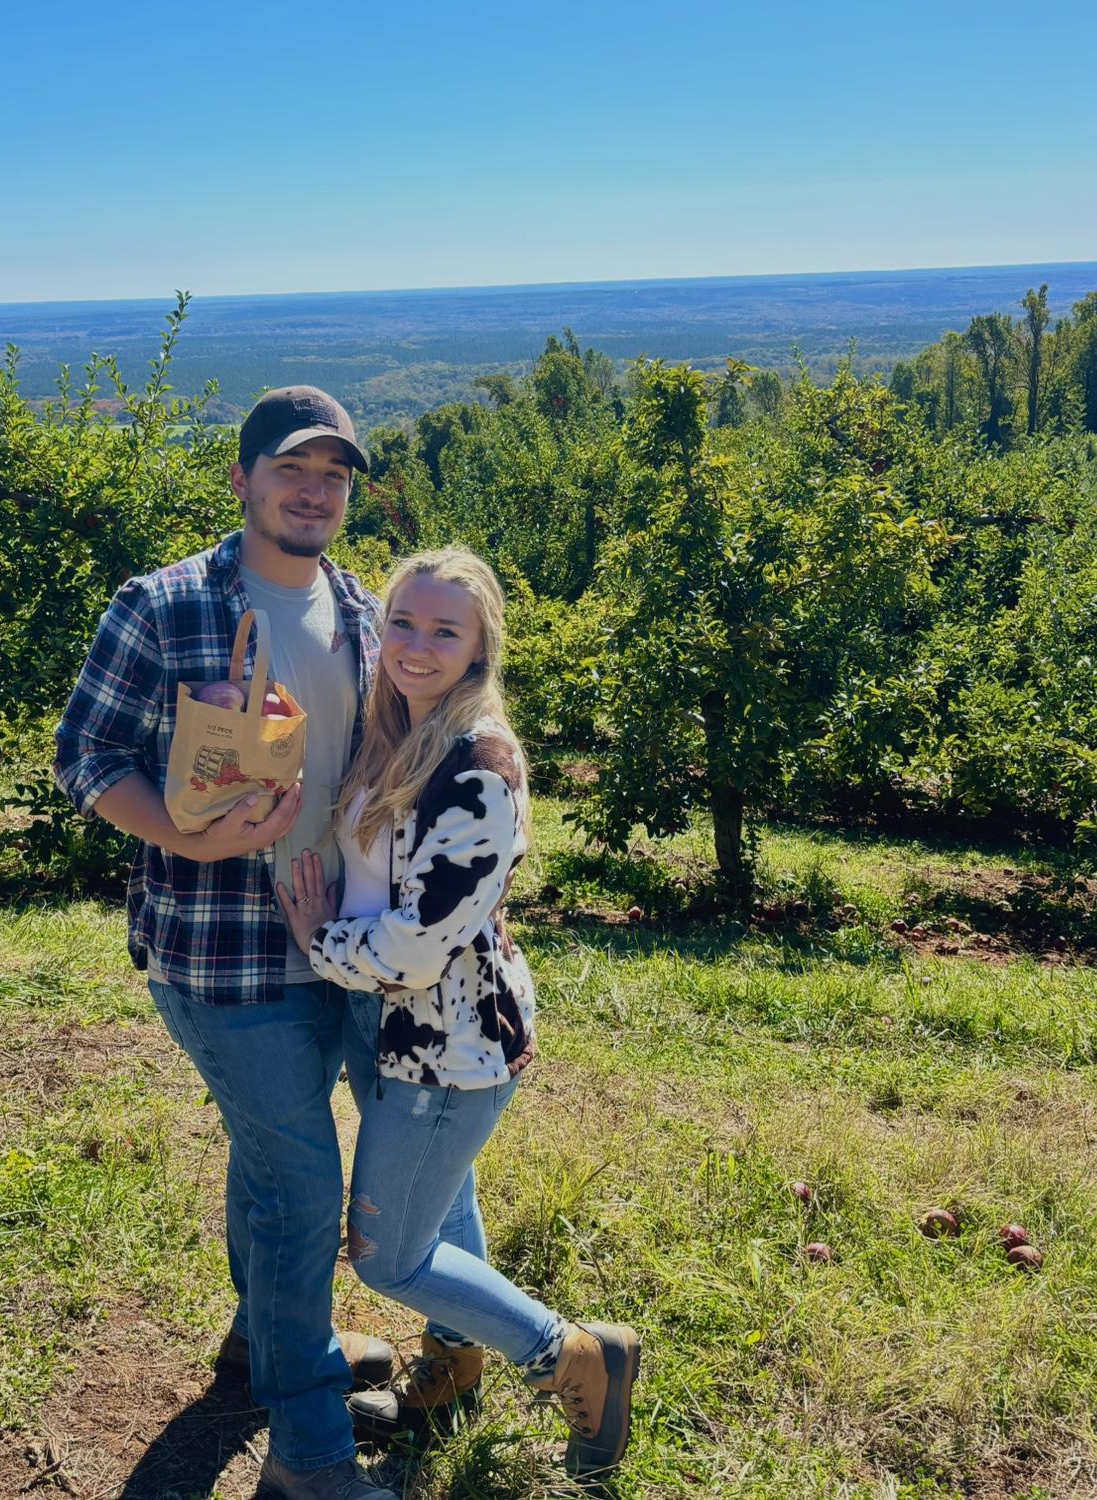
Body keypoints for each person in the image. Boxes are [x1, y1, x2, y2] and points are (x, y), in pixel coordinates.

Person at [53, 386, 401, 1500]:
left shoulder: (361, 611)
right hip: (218, 953)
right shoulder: (161, 607)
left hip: (340, 944)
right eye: (294, 470)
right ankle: (307, 1451)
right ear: (245, 479)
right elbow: (86, 756)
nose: (315, 491)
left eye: (335, 476)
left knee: (271, 1156)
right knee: (304, 1183)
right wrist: (183, 839)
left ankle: (264, 1348)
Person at [276, 547, 641, 1478]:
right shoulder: (398, 731)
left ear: (480, 646)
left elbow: (415, 945)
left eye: (446, 631)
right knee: (441, 1212)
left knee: (388, 1257)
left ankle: (573, 1356)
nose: (418, 645)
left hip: (448, 1047)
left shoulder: (478, 765)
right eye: (404, 622)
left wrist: (320, 941)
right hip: (394, 1030)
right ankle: (451, 1372)